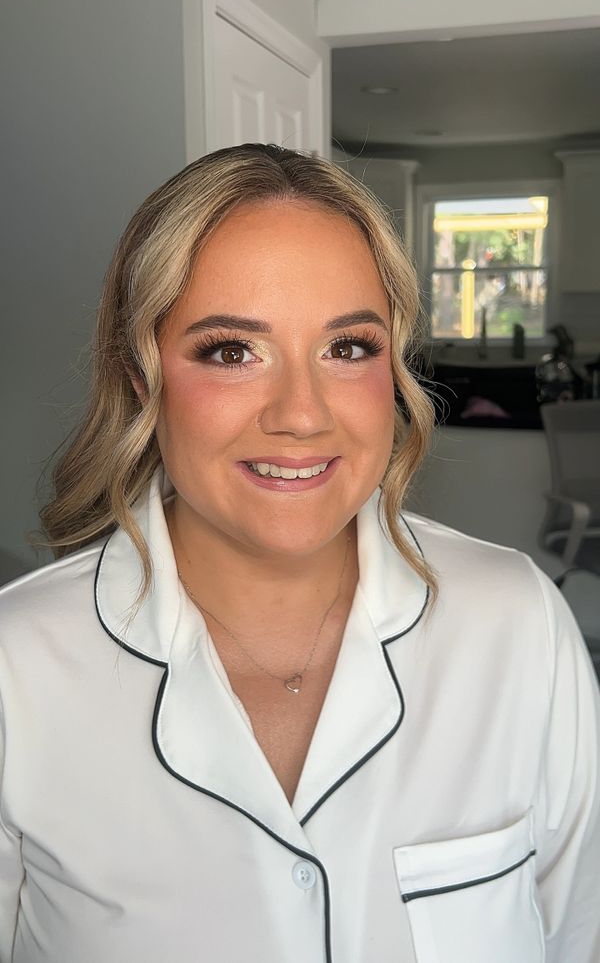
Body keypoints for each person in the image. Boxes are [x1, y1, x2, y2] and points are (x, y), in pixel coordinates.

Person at [0, 143, 598, 963]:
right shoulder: (17, 669)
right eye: (231, 350)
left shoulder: (518, 625)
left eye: (347, 347)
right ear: (142, 375)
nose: (302, 414)